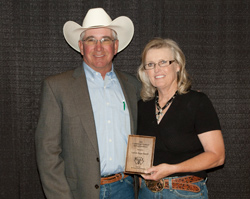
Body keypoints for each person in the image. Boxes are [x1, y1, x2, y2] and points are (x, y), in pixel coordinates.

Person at [35, 8, 141, 199]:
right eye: (91, 40)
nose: (98, 47)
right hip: (79, 193)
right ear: (81, 46)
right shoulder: (57, 87)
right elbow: (47, 152)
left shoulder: (133, 85)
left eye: (105, 40)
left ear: (115, 46)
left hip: (125, 189)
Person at [137, 38, 225, 199]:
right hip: (147, 193)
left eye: (163, 62)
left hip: (185, 193)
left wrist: (172, 168)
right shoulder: (142, 106)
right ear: (145, 71)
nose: (157, 69)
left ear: (177, 65)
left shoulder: (197, 102)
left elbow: (217, 156)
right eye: (150, 64)